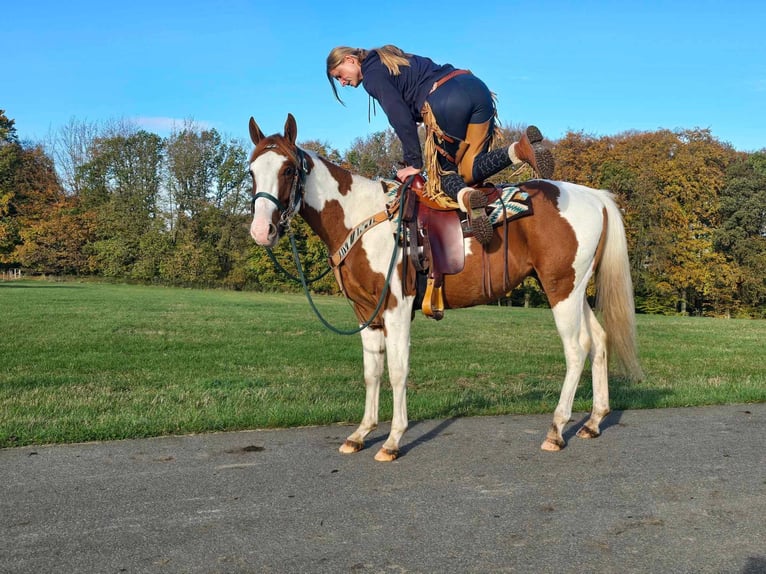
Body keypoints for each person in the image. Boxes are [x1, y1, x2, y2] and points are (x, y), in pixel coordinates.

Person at [326, 44, 554, 245]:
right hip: (475, 88)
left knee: (443, 178)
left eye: (339, 75)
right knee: (470, 169)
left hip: (444, 100)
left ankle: (468, 200)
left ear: (350, 60)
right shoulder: (389, 59)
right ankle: (521, 149)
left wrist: (414, 163)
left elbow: (399, 116)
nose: (342, 82)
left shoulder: (373, 75)